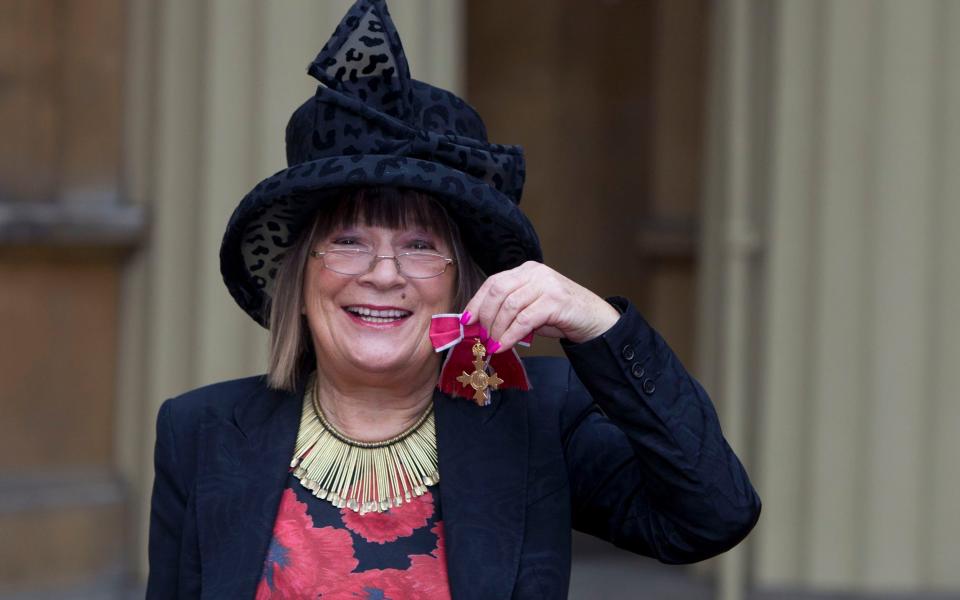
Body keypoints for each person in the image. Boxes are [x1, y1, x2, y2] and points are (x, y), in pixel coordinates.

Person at [146, 1, 761, 598]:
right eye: (349, 242)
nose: (384, 275)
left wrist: (598, 325)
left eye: (418, 246)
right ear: (300, 282)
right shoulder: (198, 431)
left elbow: (713, 515)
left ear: (459, 285)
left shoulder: (540, 419)